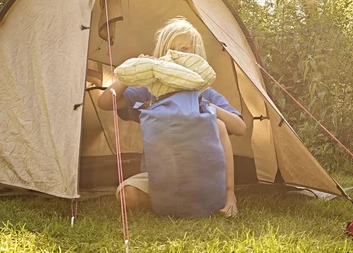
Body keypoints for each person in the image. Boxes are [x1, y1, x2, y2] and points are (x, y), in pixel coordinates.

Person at [98, 17, 246, 217]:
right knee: (128, 196)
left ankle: (228, 196)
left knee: (217, 124)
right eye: (173, 49)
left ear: (197, 56)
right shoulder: (150, 90)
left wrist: (206, 105)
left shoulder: (205, 92)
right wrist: (132, 73)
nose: (179, 54)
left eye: (186, 49)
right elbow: (106, 102)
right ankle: (171, 200)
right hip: (161, 175)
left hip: (201, 173)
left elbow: (240, 127)